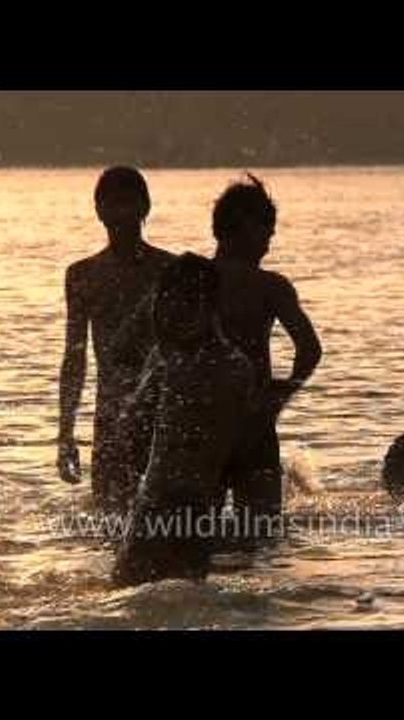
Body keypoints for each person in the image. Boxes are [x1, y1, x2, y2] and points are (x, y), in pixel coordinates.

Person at [112, 254, 255, 587]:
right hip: (160, 503)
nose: (170, 316)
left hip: (185, 507)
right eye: (164, 303)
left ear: (209, 309)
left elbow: (232, 456)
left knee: (144, 597)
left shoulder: (225, 367)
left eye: (184, 305)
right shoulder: (171, 359)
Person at [57, 167, 175, 506]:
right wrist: (65, 434)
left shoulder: (169, 270)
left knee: (168, 516)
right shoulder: (82, 276)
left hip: (162, 409)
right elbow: (74, 356)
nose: (121, 213)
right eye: (112, 204)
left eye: (128, 203)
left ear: (145, 208)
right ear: (99, 211)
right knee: (110, 517)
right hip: (110, 414)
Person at [210, 174, 322, 532]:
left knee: (191, 533)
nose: (271, 237)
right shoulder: (269, 287)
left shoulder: (190, 278)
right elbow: (310, 350)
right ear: (240, 226)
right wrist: (277, 398)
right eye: (266, 227)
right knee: (262, 537)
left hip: (202, 425)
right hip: (253, 425)